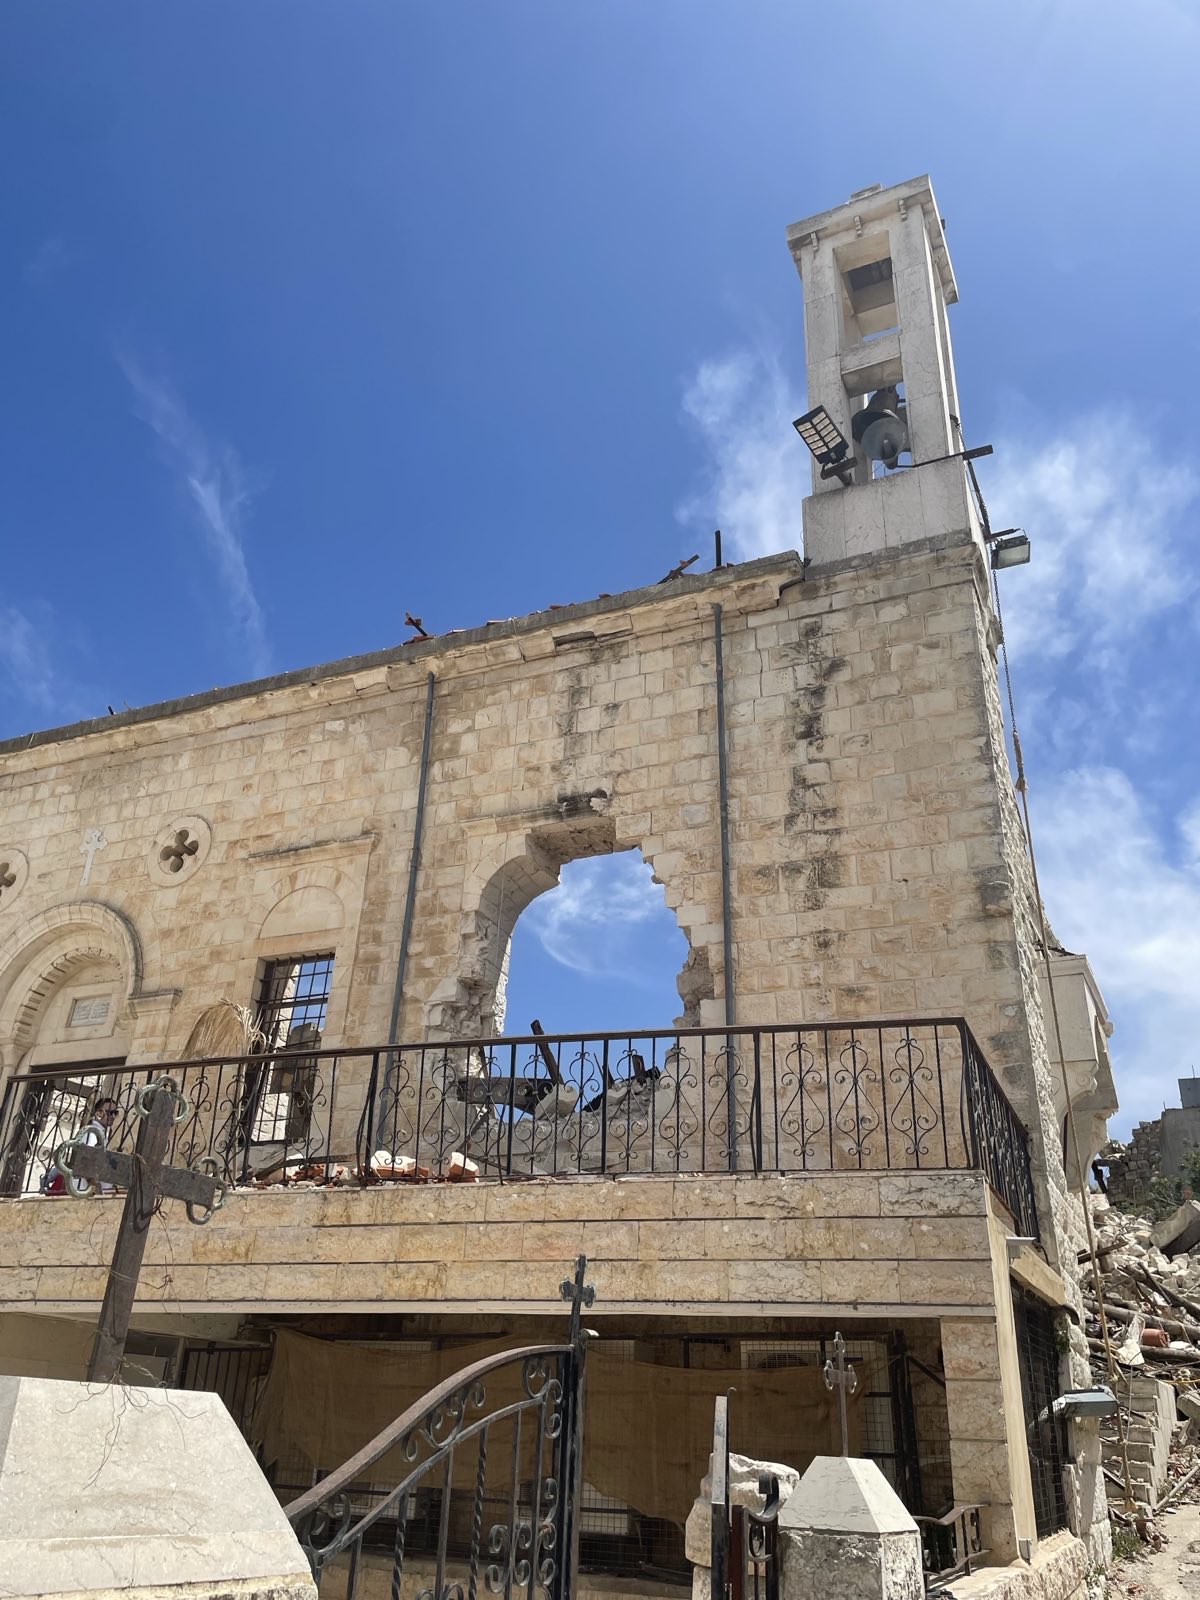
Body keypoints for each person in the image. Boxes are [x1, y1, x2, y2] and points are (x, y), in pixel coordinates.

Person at [43, 1096, 119, 1196]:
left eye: (115, 1113)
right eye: (110, 1112)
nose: (113, 1116)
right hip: (82, 1189)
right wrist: (96, 1187)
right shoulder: (92, 1133)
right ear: (98, 1113)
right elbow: (86, 1162)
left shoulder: (102, 1132)